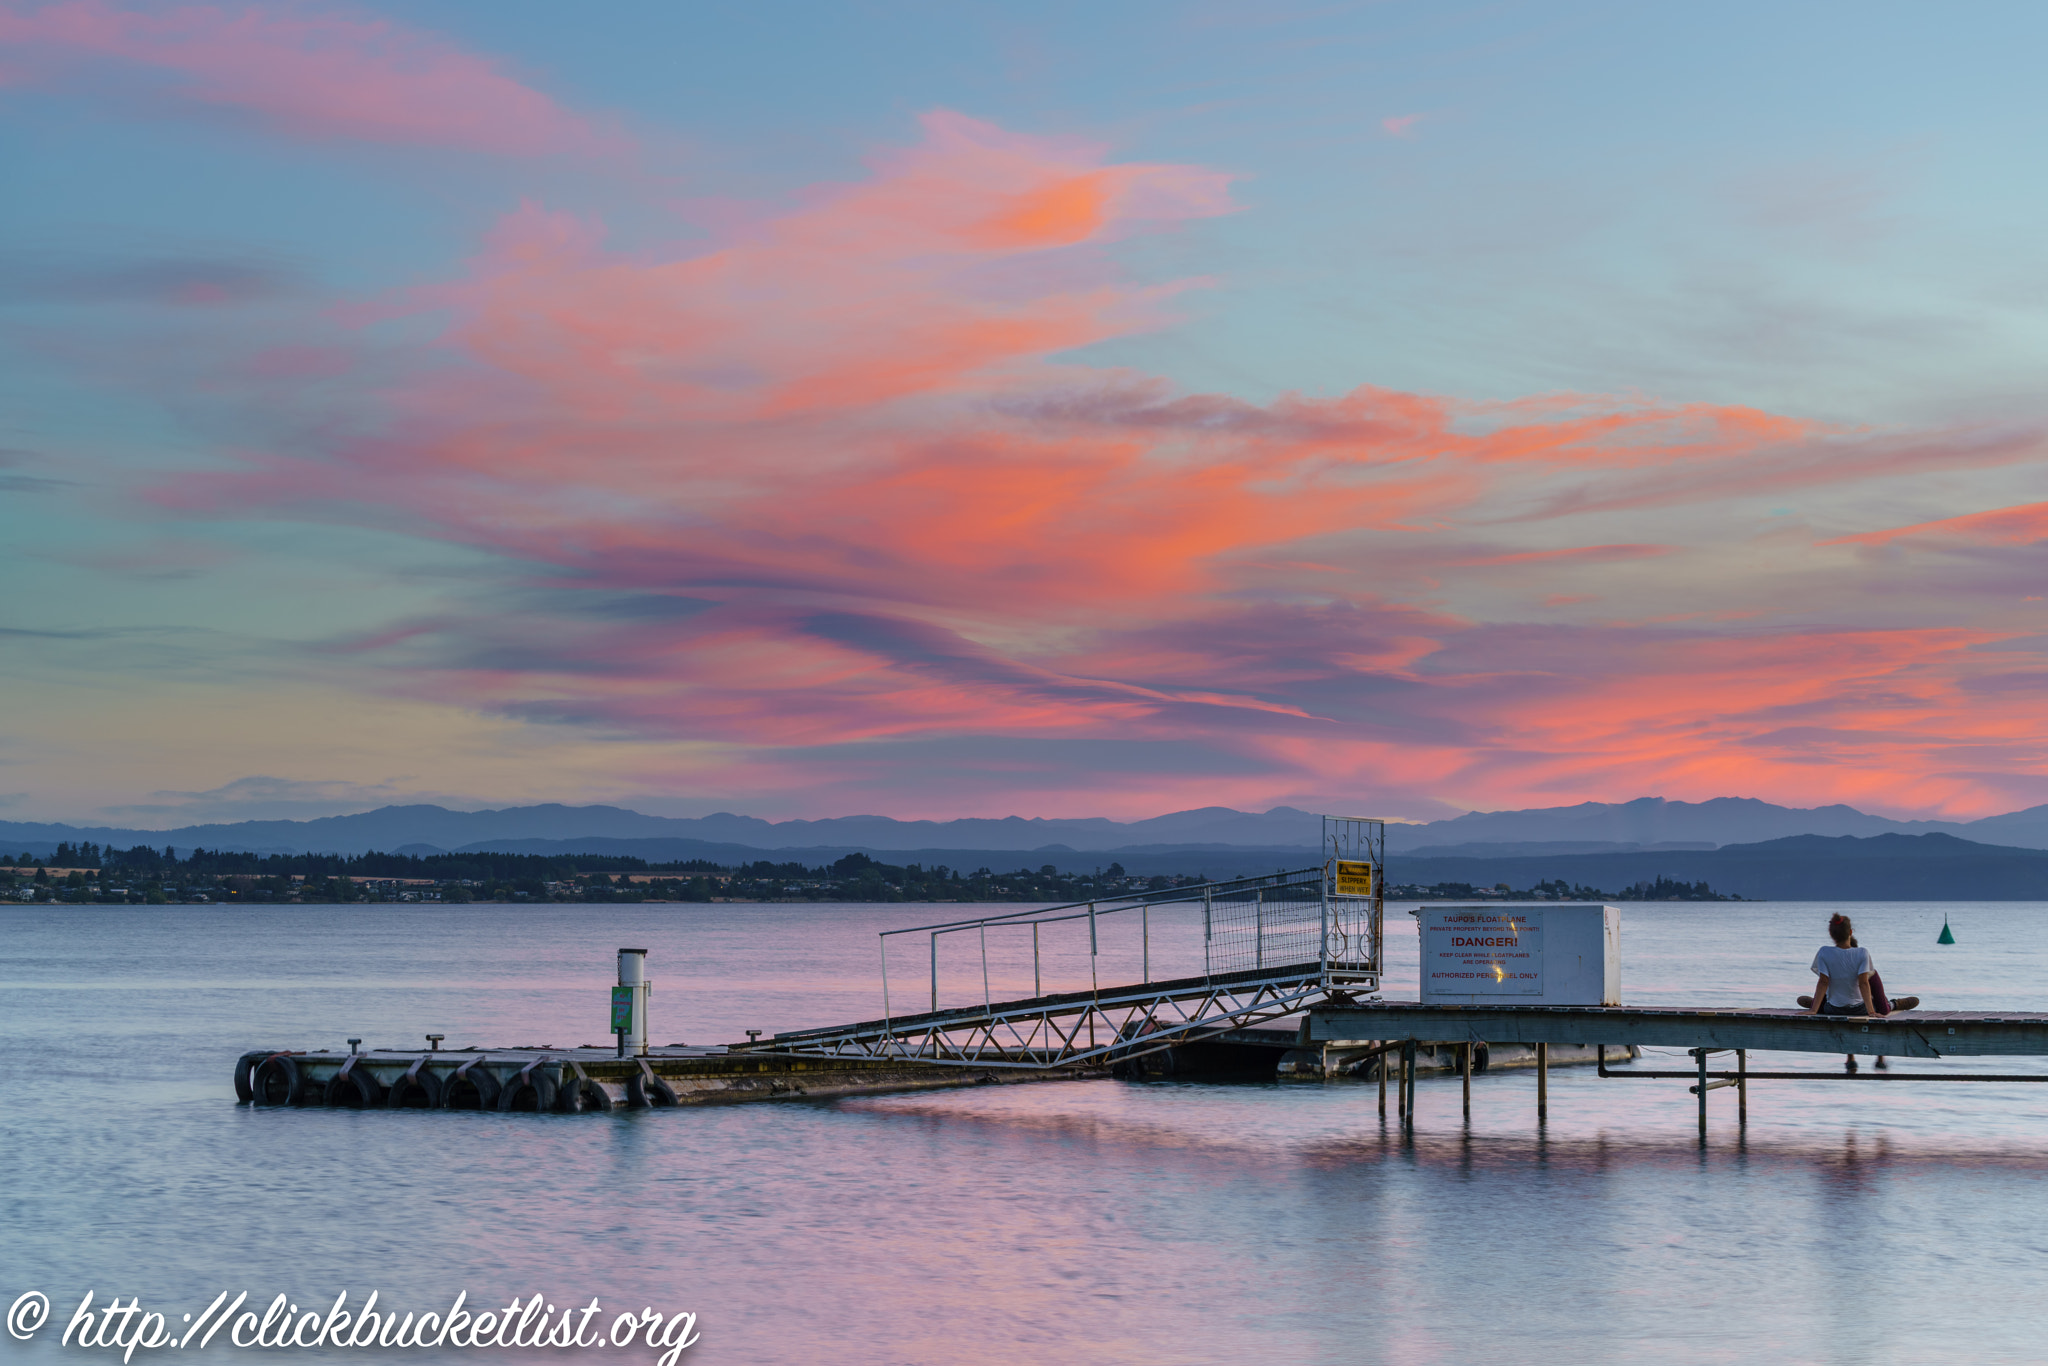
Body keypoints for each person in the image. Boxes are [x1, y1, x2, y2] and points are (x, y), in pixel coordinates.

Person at [1797, 916, 1921, 1071]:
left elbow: (1823, 982)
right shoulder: (1862, 953)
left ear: (1831, 934)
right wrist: (1871, 1011)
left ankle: (1815, 1003)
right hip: (1859, 1009)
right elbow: (1863, 983)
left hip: (1833, 1009)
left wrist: (1814, 1010)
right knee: (1872, 975)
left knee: (1836, 989)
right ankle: (1894, 1004)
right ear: (1850, 931)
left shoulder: (1824, 952)